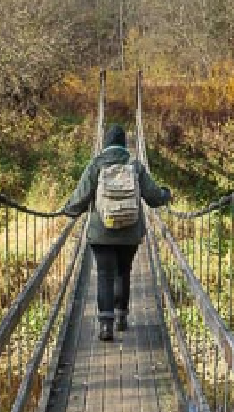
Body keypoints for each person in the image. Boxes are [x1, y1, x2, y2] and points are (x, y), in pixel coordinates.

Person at [60, 124, 171, 342]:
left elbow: (81, 196)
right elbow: (154, 197)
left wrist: (68, 210)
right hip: (130, 232)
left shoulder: (96, 165)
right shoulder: (135, 166)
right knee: (123, 271)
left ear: (105, 144)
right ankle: (121, 317)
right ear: (124, 145)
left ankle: (105, 326)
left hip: (101, 232)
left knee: (104, 274)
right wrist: (165, 194)